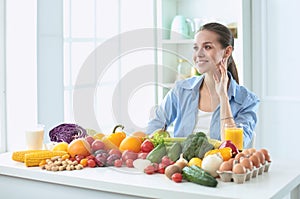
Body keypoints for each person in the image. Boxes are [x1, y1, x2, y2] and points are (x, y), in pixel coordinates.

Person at [146, 22, 259, 148]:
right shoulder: (181, 90)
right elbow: (153, 128)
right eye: (196, 48)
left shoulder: (247, 101)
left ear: (227, 52)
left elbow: (235, 147)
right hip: (181, 166)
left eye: (207, 47)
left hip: (220, 167)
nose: (198, 54)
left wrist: (223, 97)